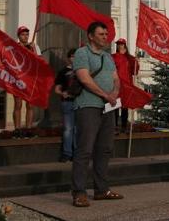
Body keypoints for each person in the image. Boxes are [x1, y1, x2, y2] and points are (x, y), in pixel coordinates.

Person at [71, 21, 123, 207]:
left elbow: (116, 79)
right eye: (101, 34)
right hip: (88, 106)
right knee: (85, 149)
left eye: (106, 34)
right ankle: (79, 192)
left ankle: (101, 190)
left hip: (108, 108)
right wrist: (105, 95)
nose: (105, 37)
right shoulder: (82, 53)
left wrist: (115, 93)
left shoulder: (108, 57)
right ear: (91, 36)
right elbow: (84, 79)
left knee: (104, 149)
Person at [13, 26, 41, 138]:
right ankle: (17, 129)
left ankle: (29, 128)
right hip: (18, 79)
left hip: (30, 80)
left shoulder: (34, 46)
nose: (25, 36)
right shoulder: (14, 47)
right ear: (18, 36)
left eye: (26, 34)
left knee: (30, 105)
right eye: (23, 34)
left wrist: (33, 50)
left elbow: (40, 61)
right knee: (18, 105)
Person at [54, 48, 78, 162]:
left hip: (79, 102)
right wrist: (62, 93)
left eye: (76, 56)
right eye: (72, 56)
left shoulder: (82, 71)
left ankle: (77, 153)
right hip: (67, 102)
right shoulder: (63, 72)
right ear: (68, 58)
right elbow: (57, 89)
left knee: (77, 129)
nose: (74, 58)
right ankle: (67, 153)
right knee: (68, 129)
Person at [111, 38, 139, 134]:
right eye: (118, 44)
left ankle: (123, 126)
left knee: (124, 107)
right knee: (114, 106)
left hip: (126, 86)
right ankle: (114, 127)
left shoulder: (129, 58)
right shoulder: (113, 57)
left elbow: (135, 71)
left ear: (125, 46)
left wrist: (134, 59)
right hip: (116, 85)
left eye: (122, 44)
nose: (120, 46)